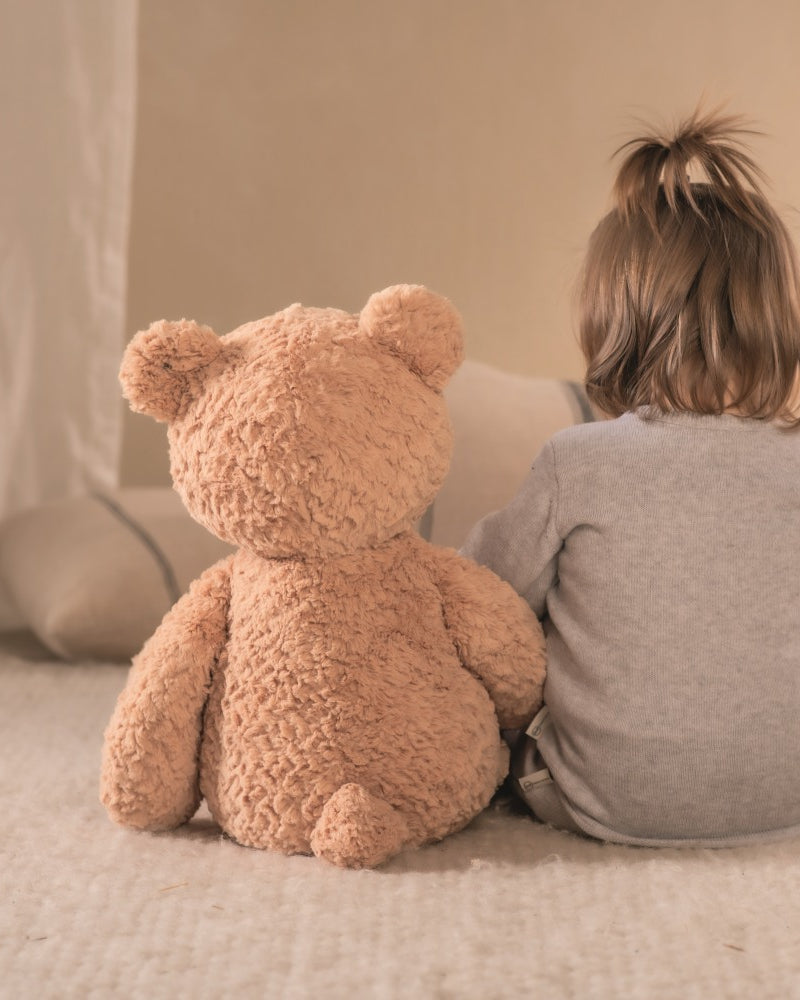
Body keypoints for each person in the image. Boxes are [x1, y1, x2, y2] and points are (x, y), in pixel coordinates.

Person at [461, 108, 800, 846]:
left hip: (604, 799)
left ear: (613, 323)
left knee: (503, 667)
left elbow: (480, 591)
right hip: (786, 799)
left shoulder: (577, 460)